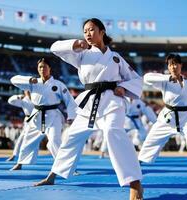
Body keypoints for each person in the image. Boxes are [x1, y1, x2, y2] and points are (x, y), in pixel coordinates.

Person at [34, 18, 144, 200]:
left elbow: (136, 79)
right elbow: (54, 48)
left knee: (112, 131)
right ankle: (52, 175)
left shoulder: (116, 57)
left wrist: (124, 88)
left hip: (112, 101)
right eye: (85, 31)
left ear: (102, 32)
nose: (87, 34)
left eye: (91, 30)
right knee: (70, 137)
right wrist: (74, 44)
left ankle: (135, 184)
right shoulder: (81, 54)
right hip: (89, 103)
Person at [138, 53, 187, 178]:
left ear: (181, 65)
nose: (173, 67)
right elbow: (147, 78)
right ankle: (137, 166)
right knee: (151, 140)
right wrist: (166, 78)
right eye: (170, 65)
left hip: (184, 118)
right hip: (167, 118)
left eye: (175, 64)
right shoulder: (164, 82)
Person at [10, 58, 77, 170]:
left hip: (53, 116)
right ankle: (20, 163)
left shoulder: (58, 84)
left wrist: (71, 116)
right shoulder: (32, 83)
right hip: (37, 115)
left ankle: (66, 166)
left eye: (45, 66)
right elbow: (13, 80)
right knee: (28, 139)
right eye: (40, 67)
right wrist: (29, 80)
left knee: (54, 141)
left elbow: (69, 100)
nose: (42, 69)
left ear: (50, 68)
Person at [6, 91, 34, 161]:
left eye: (29, 90)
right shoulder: (23, 100)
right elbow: (10, 101)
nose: (28, 92)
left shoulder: (36, 98)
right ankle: (14, 155)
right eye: (27, 91)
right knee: (21, 139)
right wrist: (18, 97)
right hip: (28, 120)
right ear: (24, 92)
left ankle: (57, 154)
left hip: (39, 119)